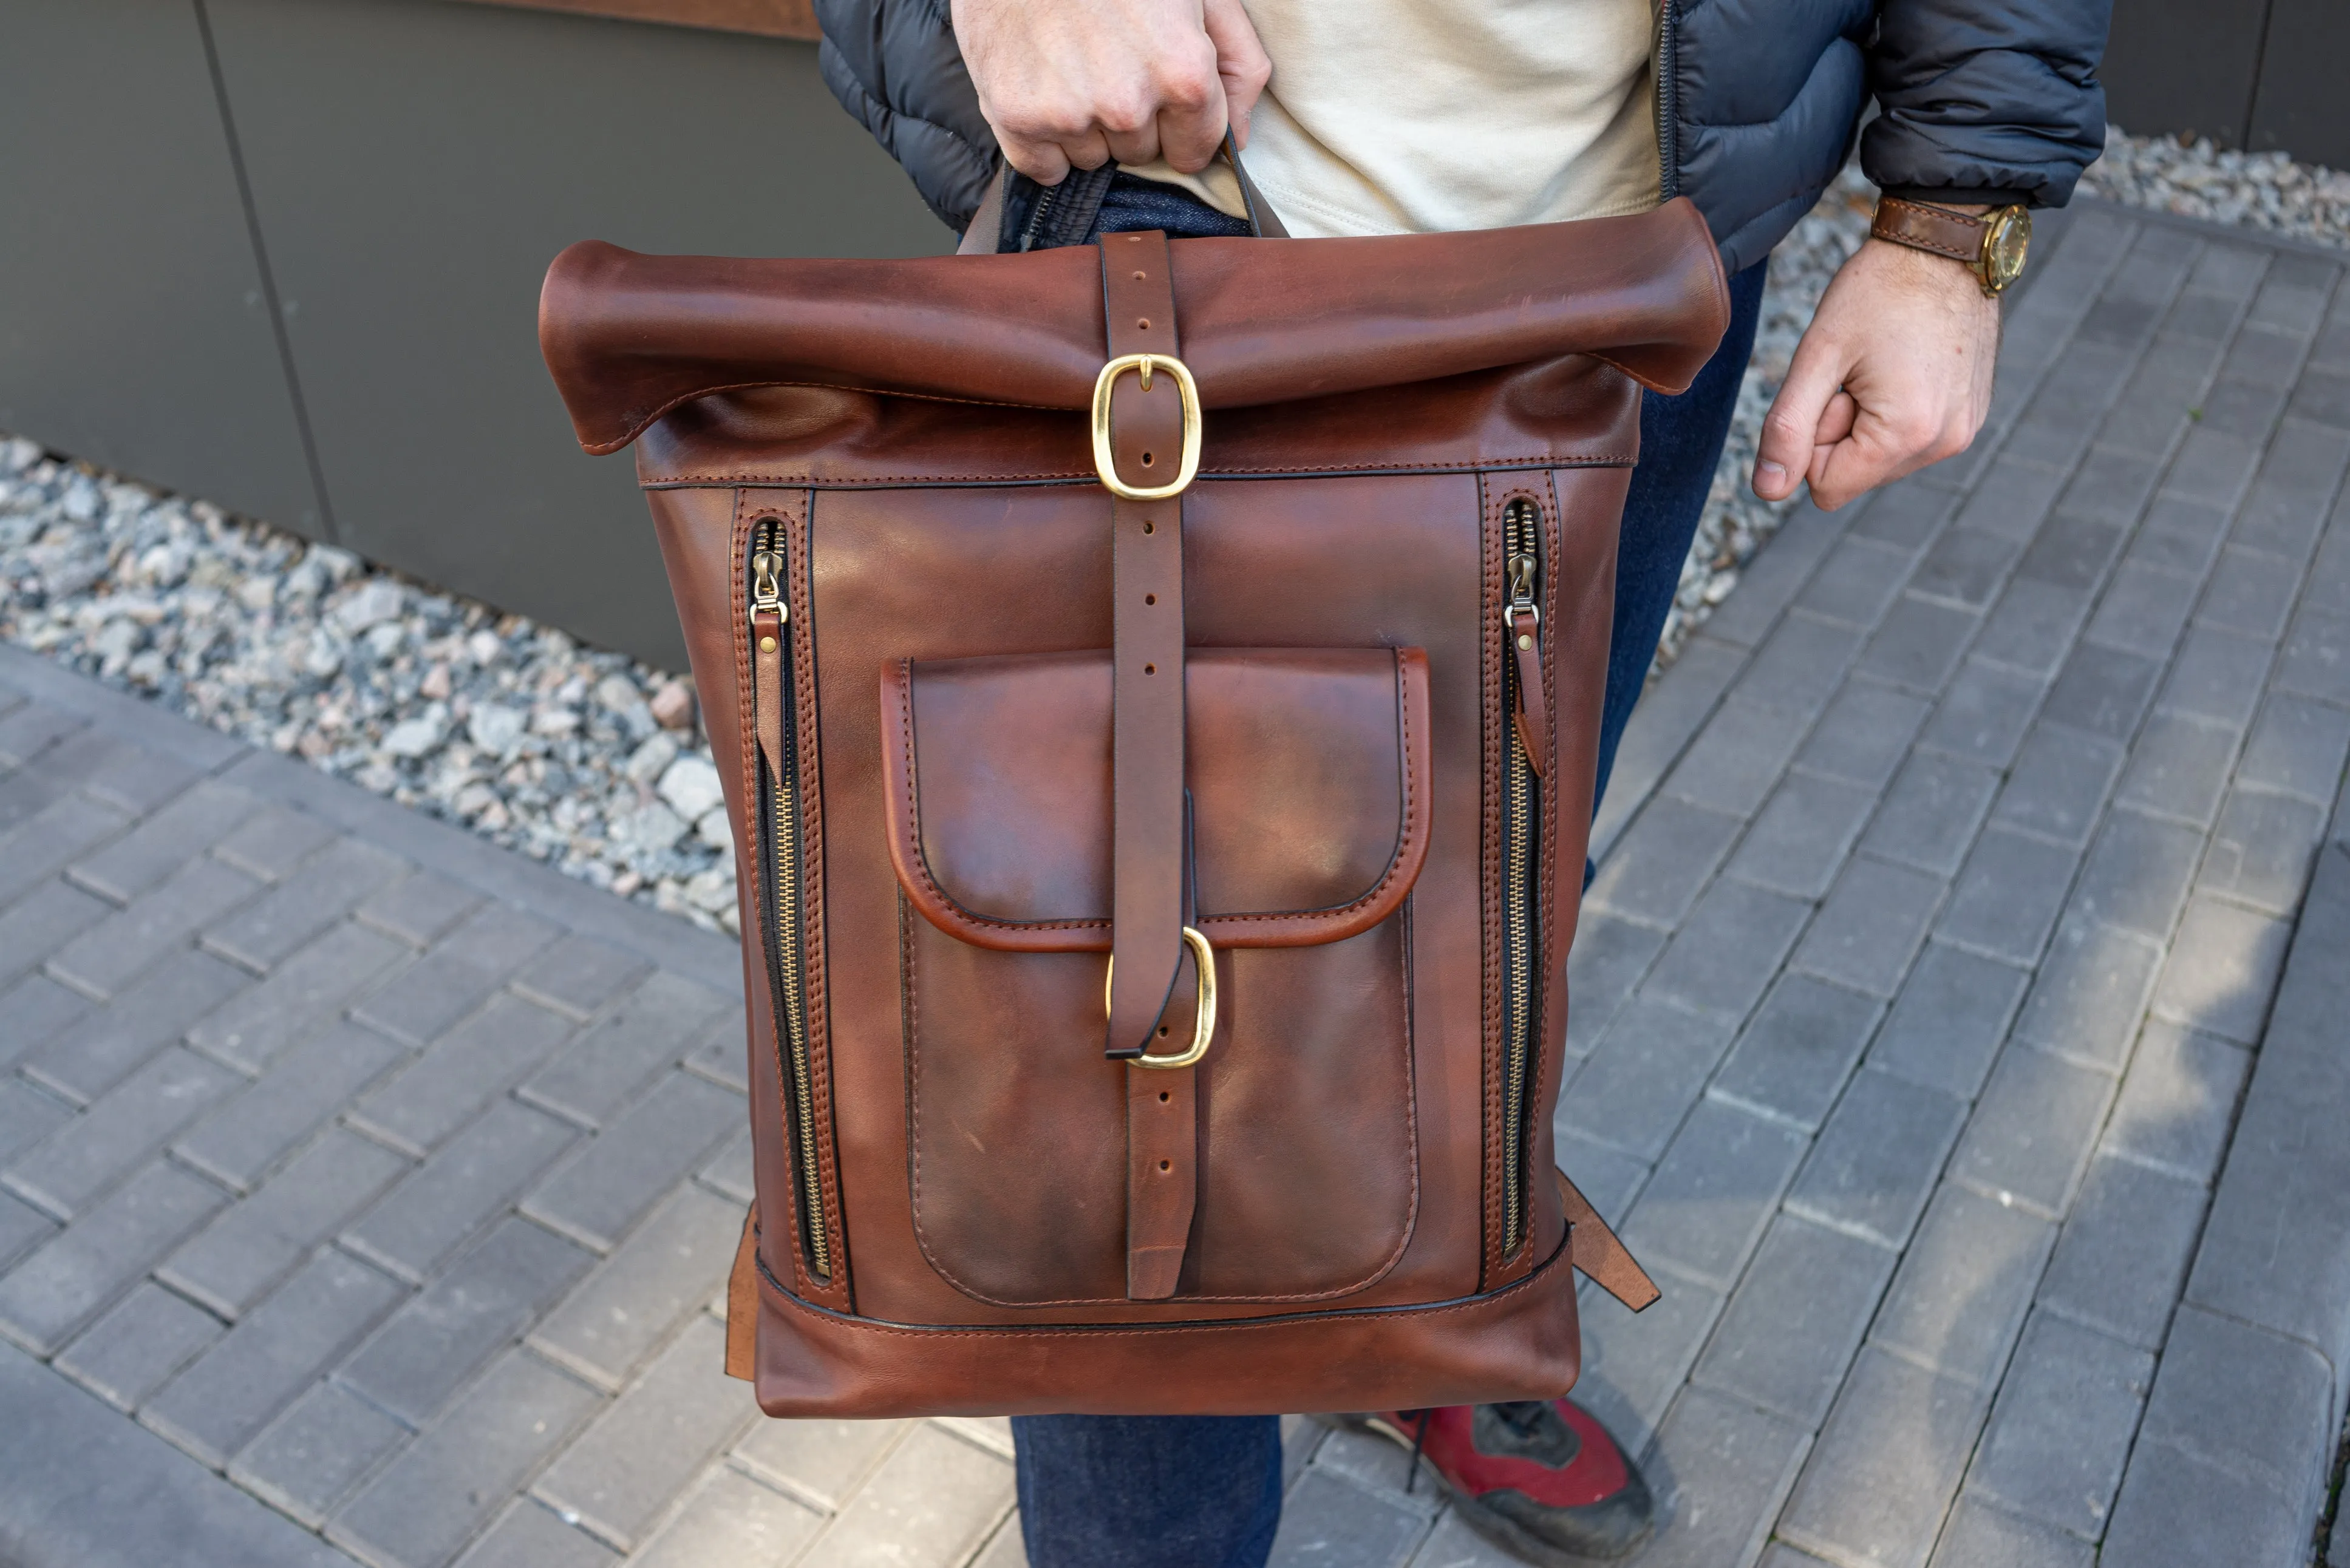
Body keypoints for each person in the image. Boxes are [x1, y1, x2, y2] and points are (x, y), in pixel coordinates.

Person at [812, 0, 2111, 1561]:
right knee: (1136, 1045)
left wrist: (1956, 214)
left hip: (1626, 258)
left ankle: (1403, 1306)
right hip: (1186, 200)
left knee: (1475, 931)